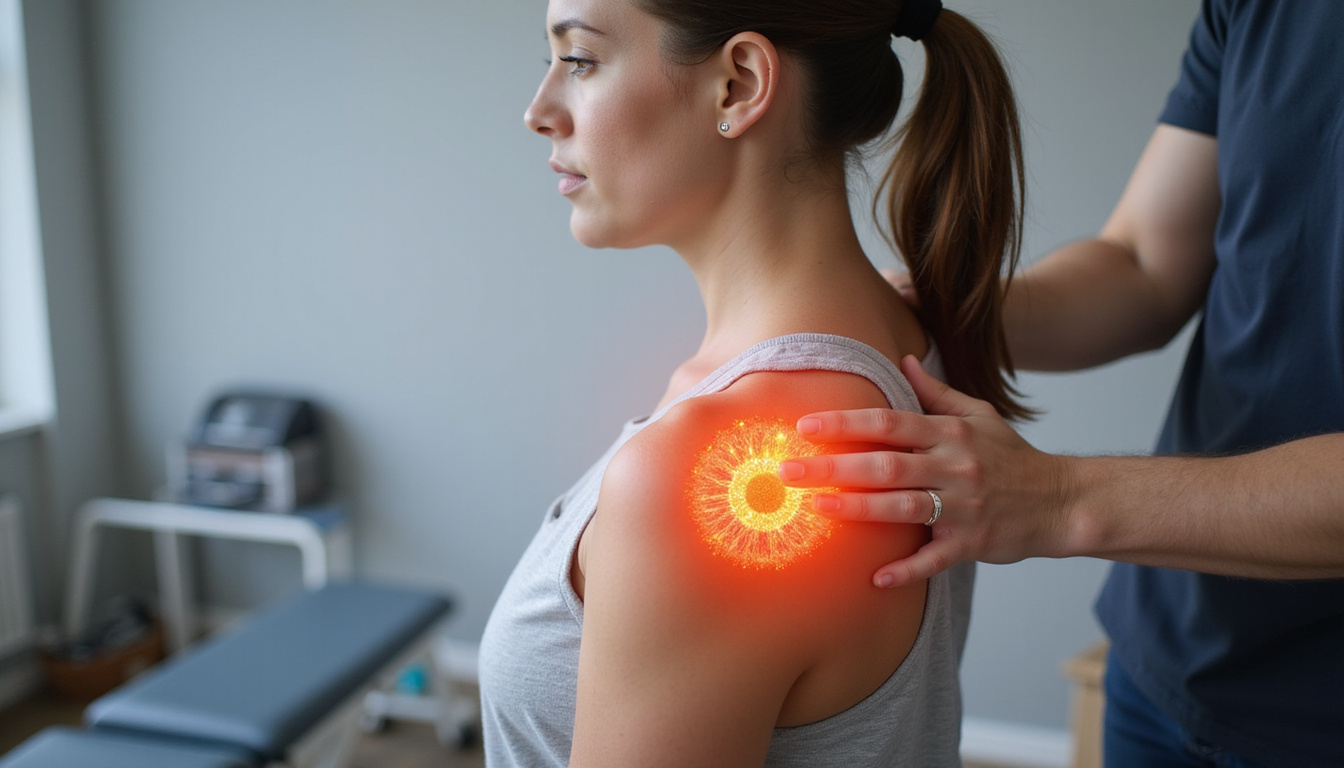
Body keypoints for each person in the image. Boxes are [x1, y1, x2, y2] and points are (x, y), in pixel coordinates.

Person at [778, 2, 1344, 766]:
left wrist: (1062, 499)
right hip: (1170, 663)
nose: (551, 112)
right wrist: (950, 313)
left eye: (581, 61)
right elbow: (1143, 263)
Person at [478, 0, 1027, 765]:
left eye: (579, 61)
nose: (540, 111)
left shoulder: (722, 472)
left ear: (738, 84)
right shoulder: (906, 333)